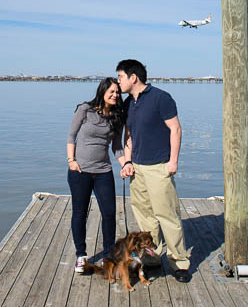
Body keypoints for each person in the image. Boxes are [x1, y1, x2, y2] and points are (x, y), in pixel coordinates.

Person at [116, 59, 191, 283]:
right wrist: (127, 162)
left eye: (120, 76)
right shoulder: (129, 103)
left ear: (133, 77)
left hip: (159, 166)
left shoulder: (161, 98)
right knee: (145, 218)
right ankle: (153, 259)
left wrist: (173, 161)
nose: (118, 81)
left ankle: (179, 263)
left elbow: (175, 129)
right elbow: (128, 136)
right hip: (136, 169)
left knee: (167, 215)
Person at [66, 77, 127, 274]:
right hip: (80, 172)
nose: (115, 95)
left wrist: (125, 163)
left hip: (104, 172)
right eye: (112, 91)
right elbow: (71, 136)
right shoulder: (85, 109)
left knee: (109, 213)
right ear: (102, 92)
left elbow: (117, 147)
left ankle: (108, 255)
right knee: (80, 213)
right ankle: (81, 256)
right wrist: (71, 161)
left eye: (117, 92)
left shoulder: (117, 117)